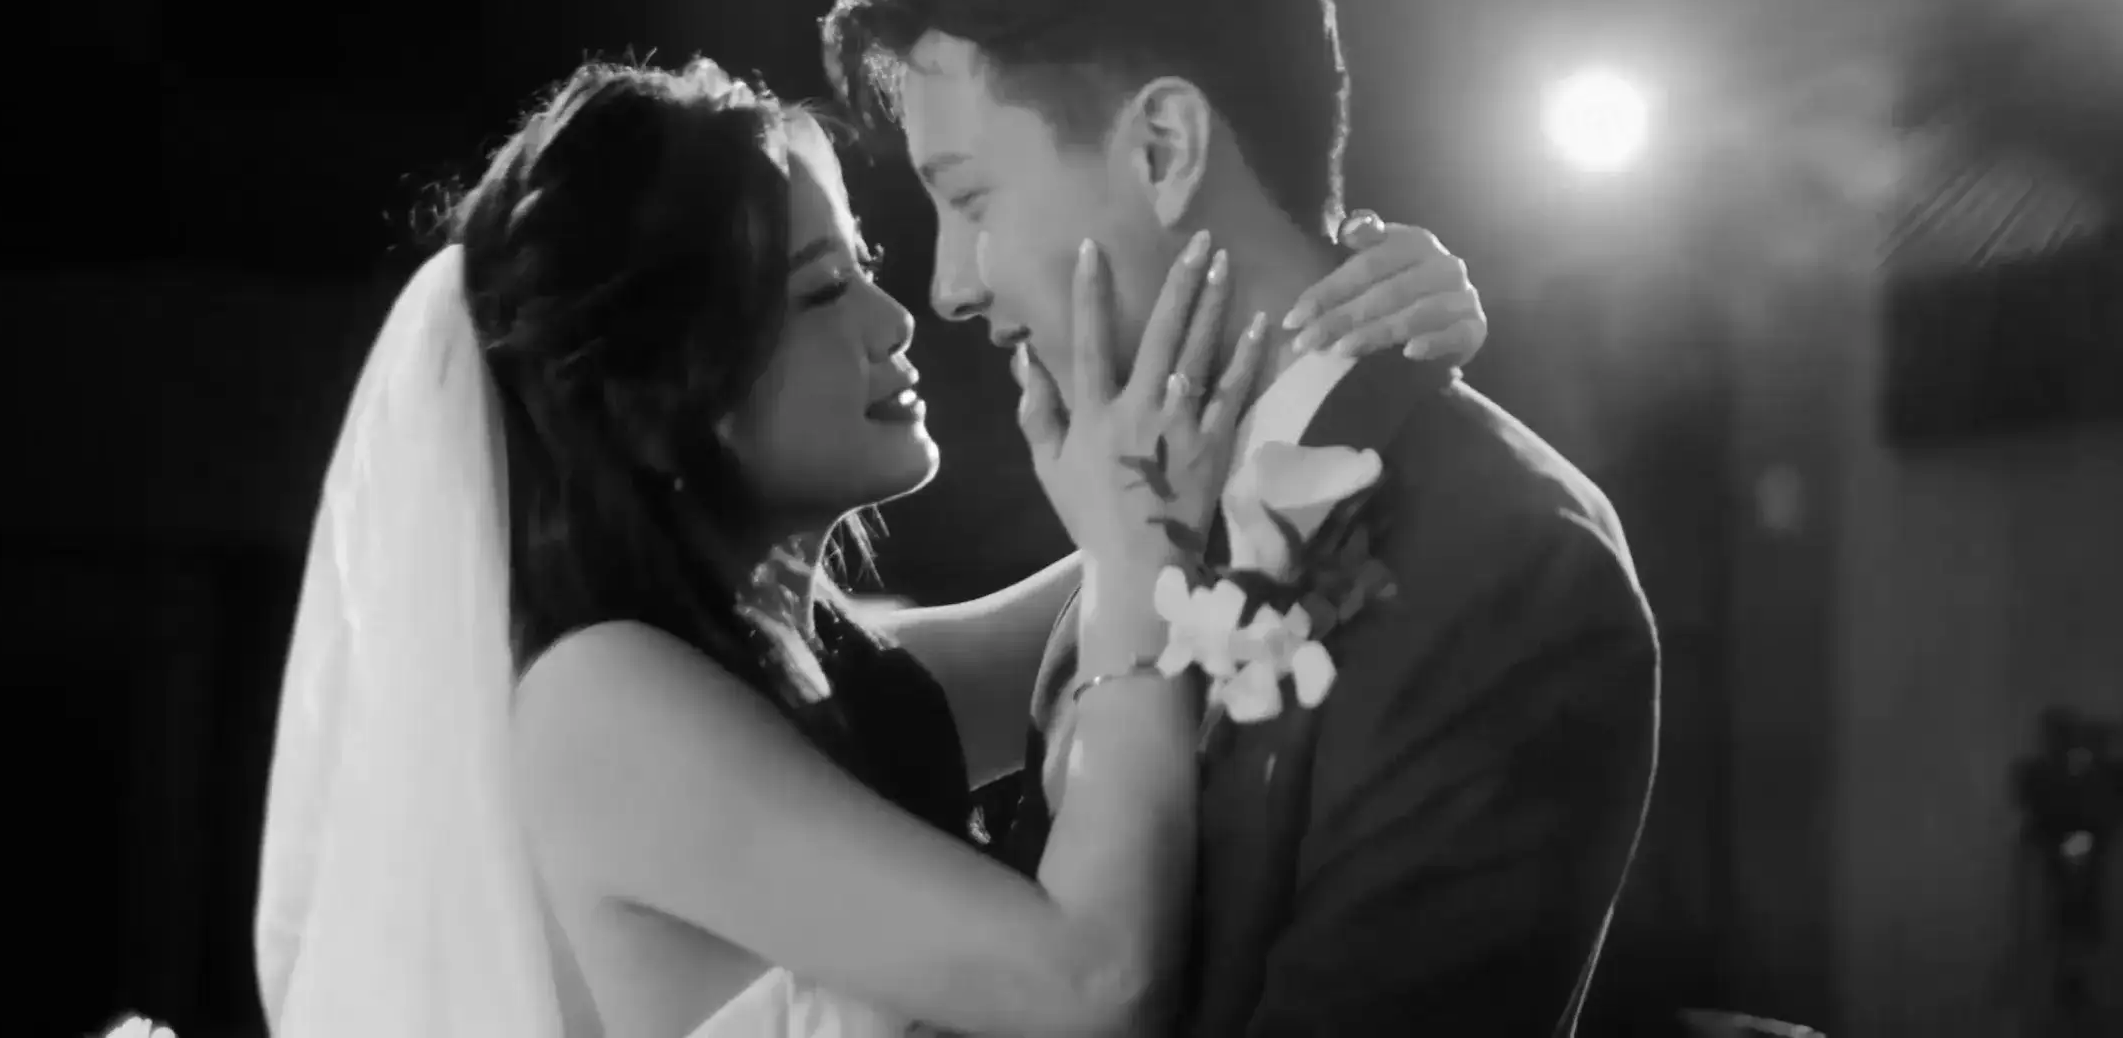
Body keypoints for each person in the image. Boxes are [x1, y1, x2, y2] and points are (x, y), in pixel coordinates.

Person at [248, 55, 1499, 1038]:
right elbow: (1093, 983)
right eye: (816, 293)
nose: (902, 319)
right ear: (655, 391)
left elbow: (1173, 544)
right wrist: (1132, 554)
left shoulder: (817, 677)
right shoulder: (597, 703)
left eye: (867, 268)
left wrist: (1335, 331)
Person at [823, 0, 1660, 1038]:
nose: (950, 288)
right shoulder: (1130, 553)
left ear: (1163, 147)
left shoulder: (1510, 560)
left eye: (970, 199)